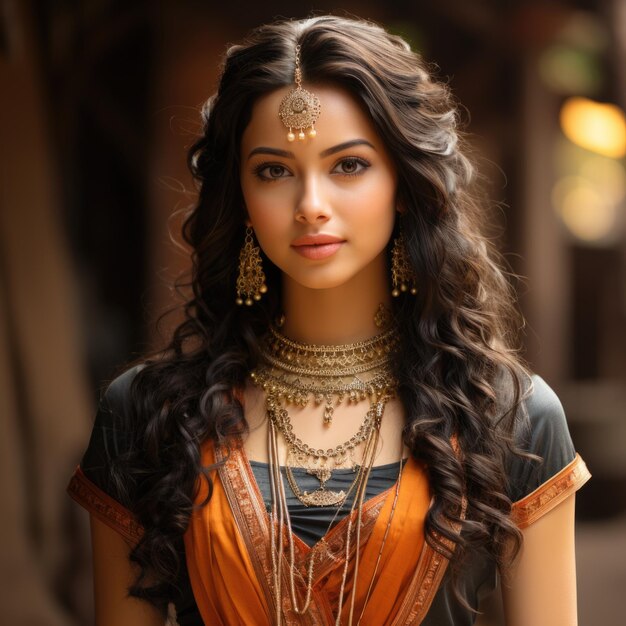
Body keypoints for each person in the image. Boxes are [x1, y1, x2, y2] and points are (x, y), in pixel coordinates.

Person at [67, 14, 591, 626]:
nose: (311, 205)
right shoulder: (147, 417)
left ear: (403, 181)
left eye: (348, 166)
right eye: (274, 171)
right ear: (240, 195)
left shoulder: (510, 420)